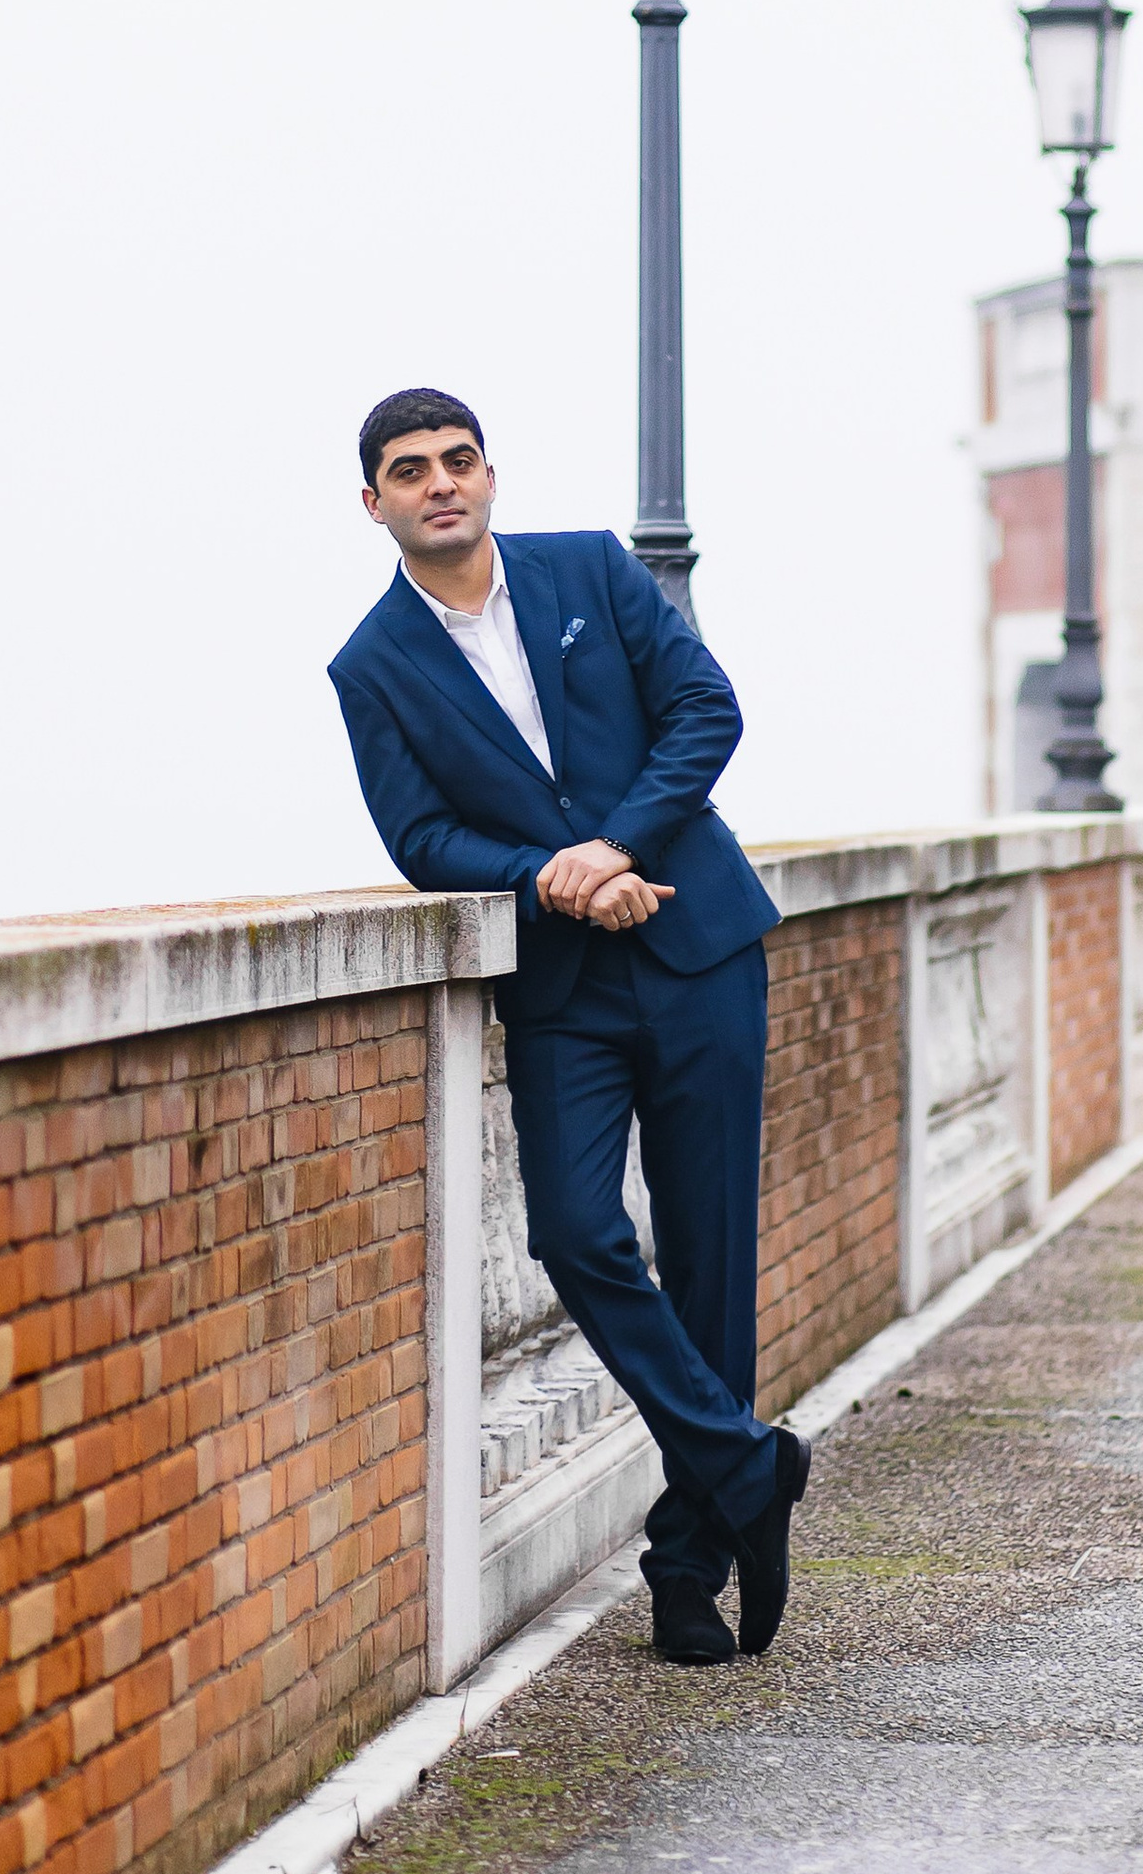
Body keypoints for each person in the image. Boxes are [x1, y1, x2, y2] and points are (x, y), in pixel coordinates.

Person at [329, 385, 809, 1668]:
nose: (441, 482)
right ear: (372, 501)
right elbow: (420, 836)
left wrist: (615, 846)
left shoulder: (589, 568)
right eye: (410, 469)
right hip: (563, 989)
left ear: (489, 475)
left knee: (708, 1256)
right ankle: (748, 1465)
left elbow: (705, 710)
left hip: (699, 946)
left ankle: (687, 1567)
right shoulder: (370, 666)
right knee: (577, 1232)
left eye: (459, 459)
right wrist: (550, 876)